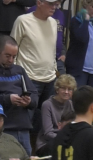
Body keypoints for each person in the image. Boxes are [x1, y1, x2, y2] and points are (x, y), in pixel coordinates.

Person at [11, 0, 59, 136]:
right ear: (39, 2)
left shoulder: (53, 23)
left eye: (55, 4)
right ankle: (24, 152)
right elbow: (13, 47)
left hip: (50, 78)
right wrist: (15, 75)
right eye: (50, 4)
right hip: (29, 78)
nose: (54, 7)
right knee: (25, 119)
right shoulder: (23, 21)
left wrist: (54, 70)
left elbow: (52, 49)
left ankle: (40, 153)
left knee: (46, 122)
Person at [0, 36, 38, 155]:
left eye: (14, 57)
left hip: (23, 127)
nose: (11, 60)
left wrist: (29, 101)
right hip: (5, 129)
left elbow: (34, 94)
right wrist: (7, 99)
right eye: (7, 56)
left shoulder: (19, 70)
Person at [37, 74, 75, 160]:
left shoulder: (71, 104)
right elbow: (48, 133)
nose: (66, 92)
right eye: (63, 88)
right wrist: (66, 139)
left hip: (66, 141)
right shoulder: (47, 104)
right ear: (57, 89)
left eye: (69, 89)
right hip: (46, 143)